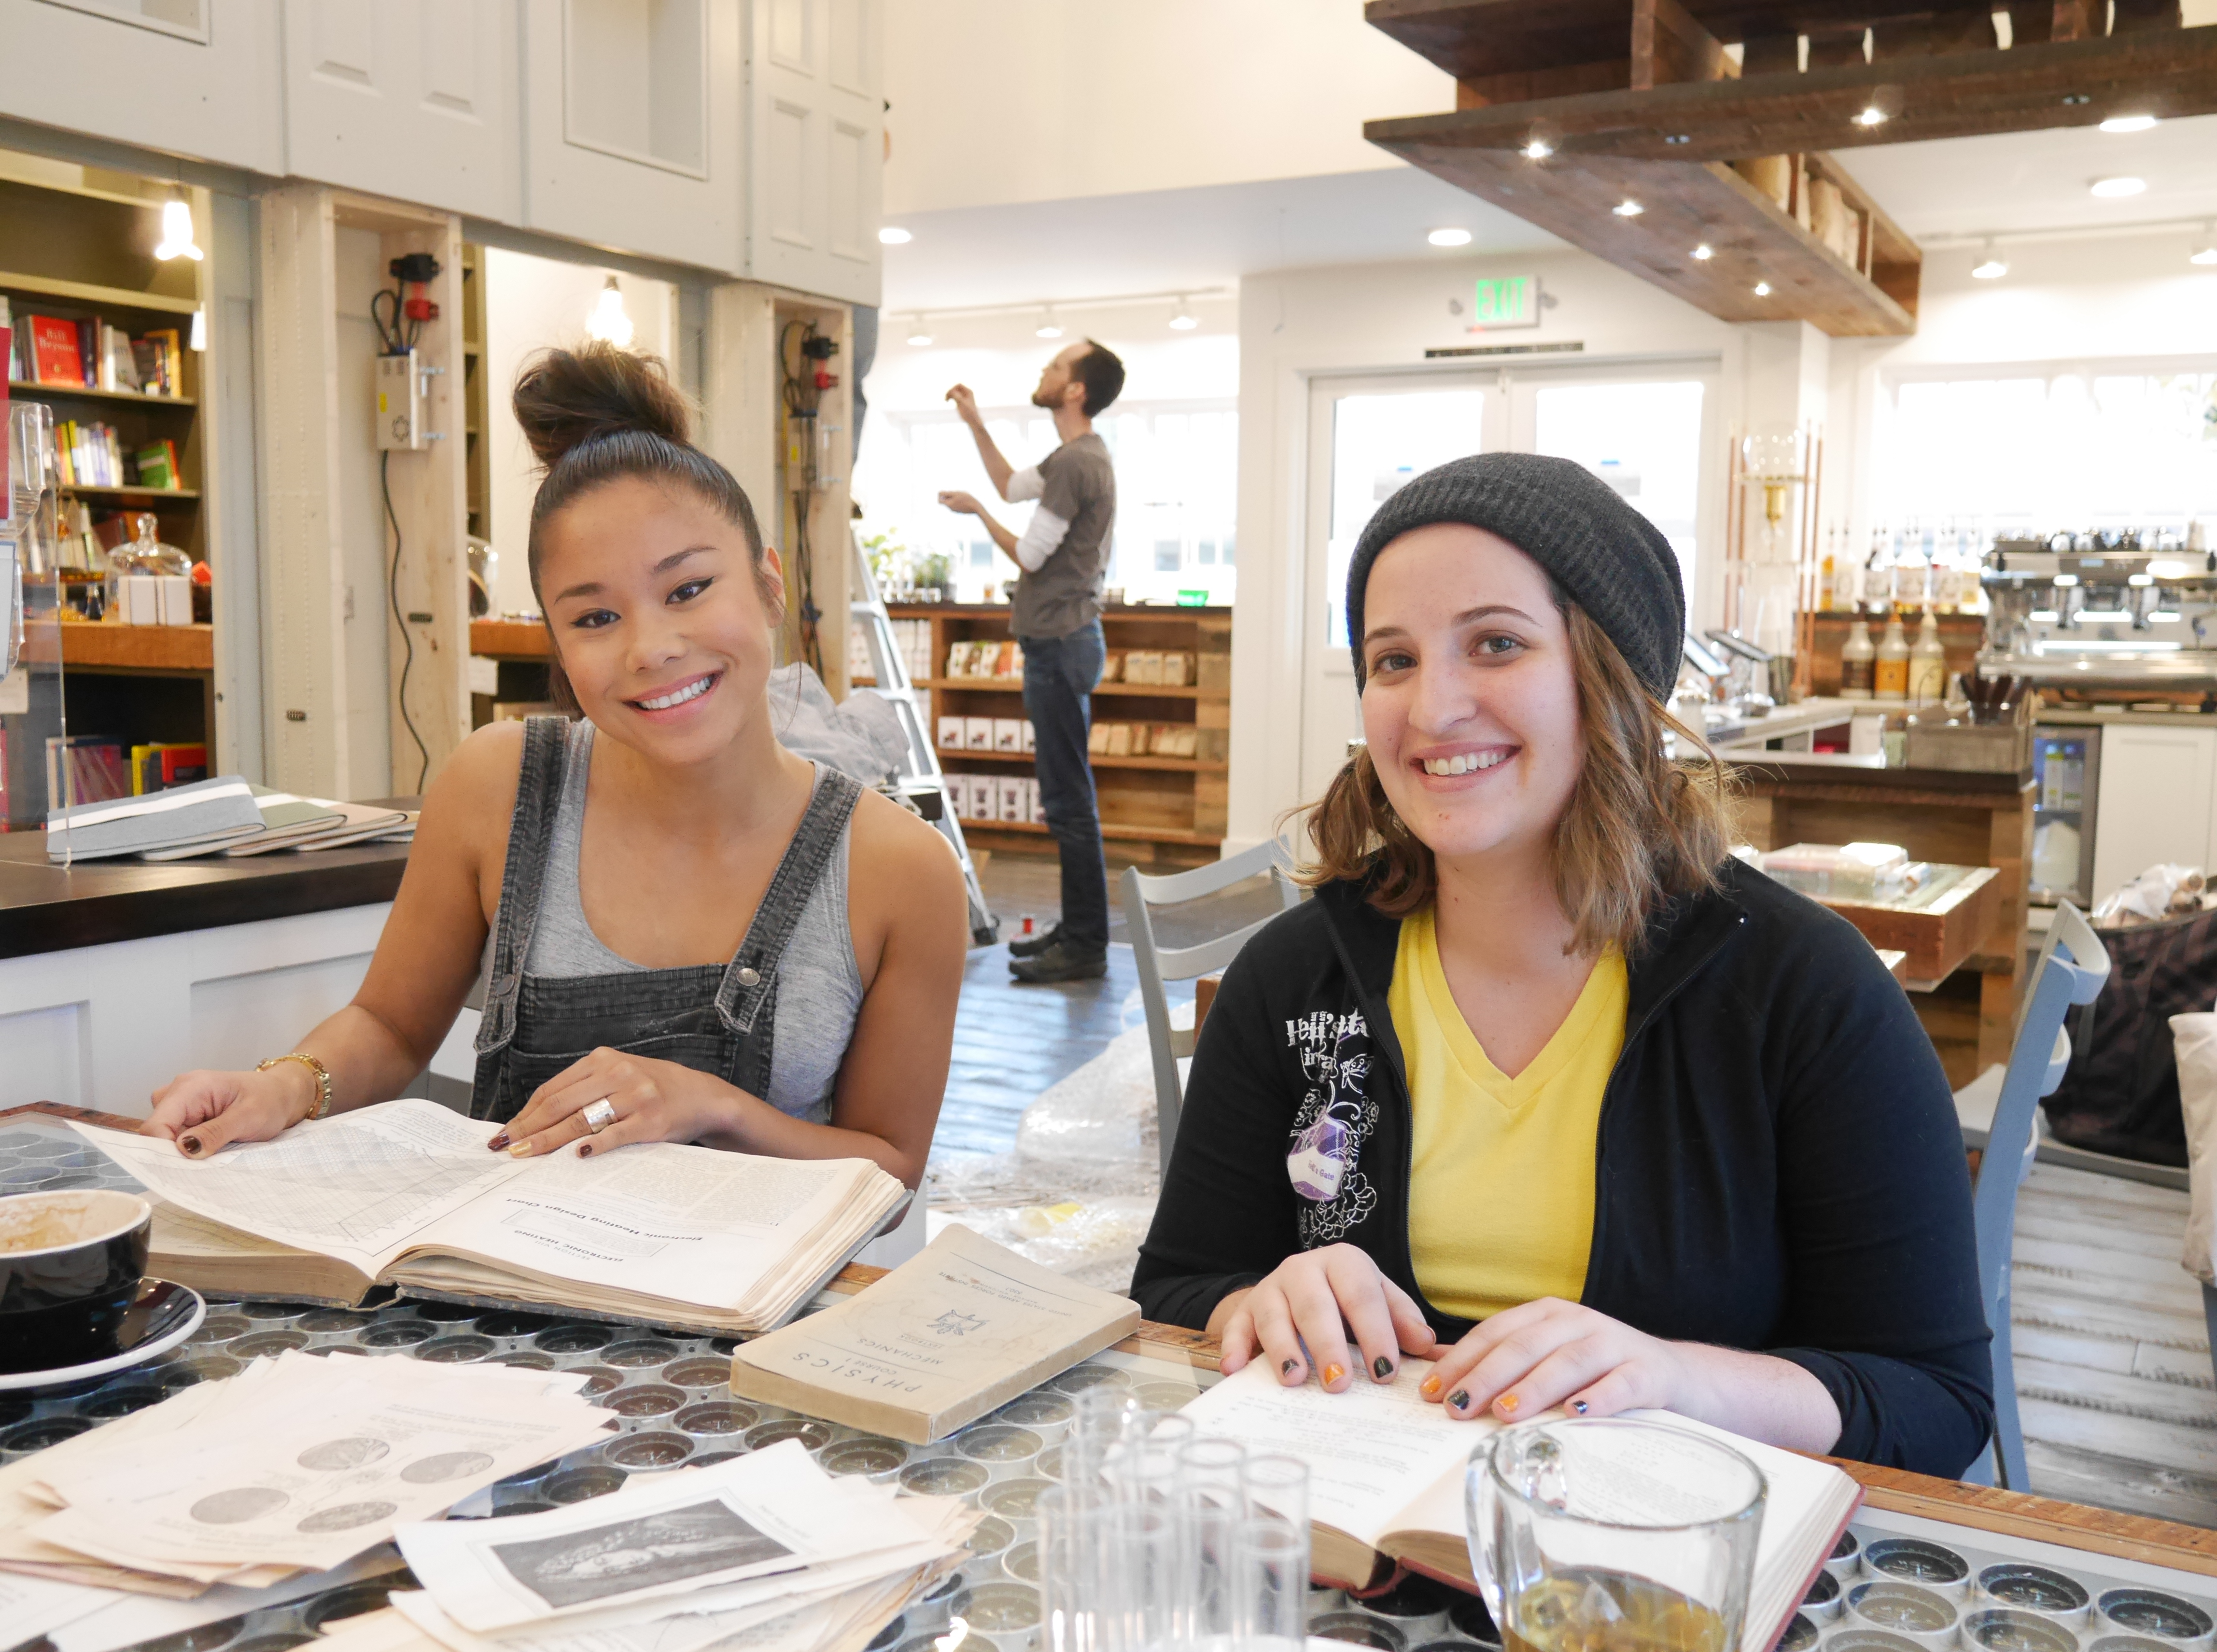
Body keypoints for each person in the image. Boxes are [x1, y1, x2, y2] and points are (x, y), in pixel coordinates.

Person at [1131, 452, 1993, 1478]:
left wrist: (1671, 1375)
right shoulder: (1295, 975)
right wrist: (1256, 1300)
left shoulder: (1802, 990)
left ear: (1608, 678)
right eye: (1392, 659)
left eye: (1495, 644)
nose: (1433, 706)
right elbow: (1178, 1287)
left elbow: (1933, 1398)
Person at [144, 343, 967, 1196]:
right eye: (597, 616)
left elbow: (892, 1164)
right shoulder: (499, 785)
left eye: (687, 590)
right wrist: (281, 1087)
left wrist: (713, 1107)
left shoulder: (899, 871)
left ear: (767, 586)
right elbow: (389, 1027)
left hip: (750, 1321)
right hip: (495, 1306)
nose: (651, 649)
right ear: (558, 645)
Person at [938, 340, 1124, 984]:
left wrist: (979, 514)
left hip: (1060, 646)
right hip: (1064, 643)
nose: (1042, 374)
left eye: (1055, 368)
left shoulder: (1078, 464)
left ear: (1076, 391)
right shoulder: (1076, 458)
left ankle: (1085, 944)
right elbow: (1011, 484)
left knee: (1070, 804)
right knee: (1068, 800)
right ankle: (1077, 933)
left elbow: (1031, 554)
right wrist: (976, 424)